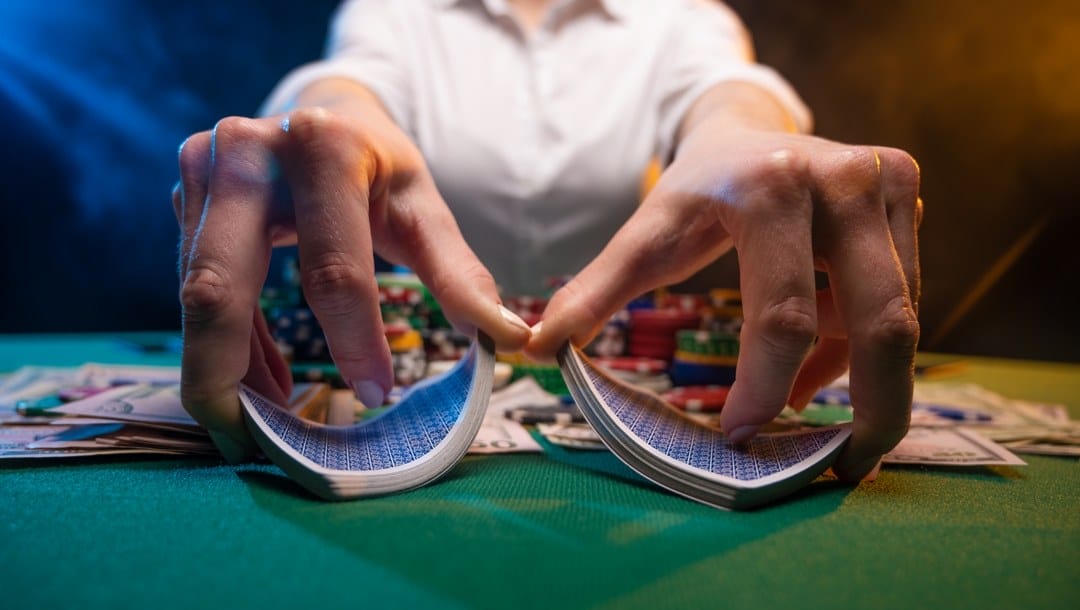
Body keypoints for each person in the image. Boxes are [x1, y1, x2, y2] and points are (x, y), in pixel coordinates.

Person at [173, 0, 921, 482]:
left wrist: (748, 139)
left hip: (600, 357)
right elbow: (350, 82)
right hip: (435, 358)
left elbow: (726, 89)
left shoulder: (683, 17)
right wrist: (328, 121)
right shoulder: (395, 12)